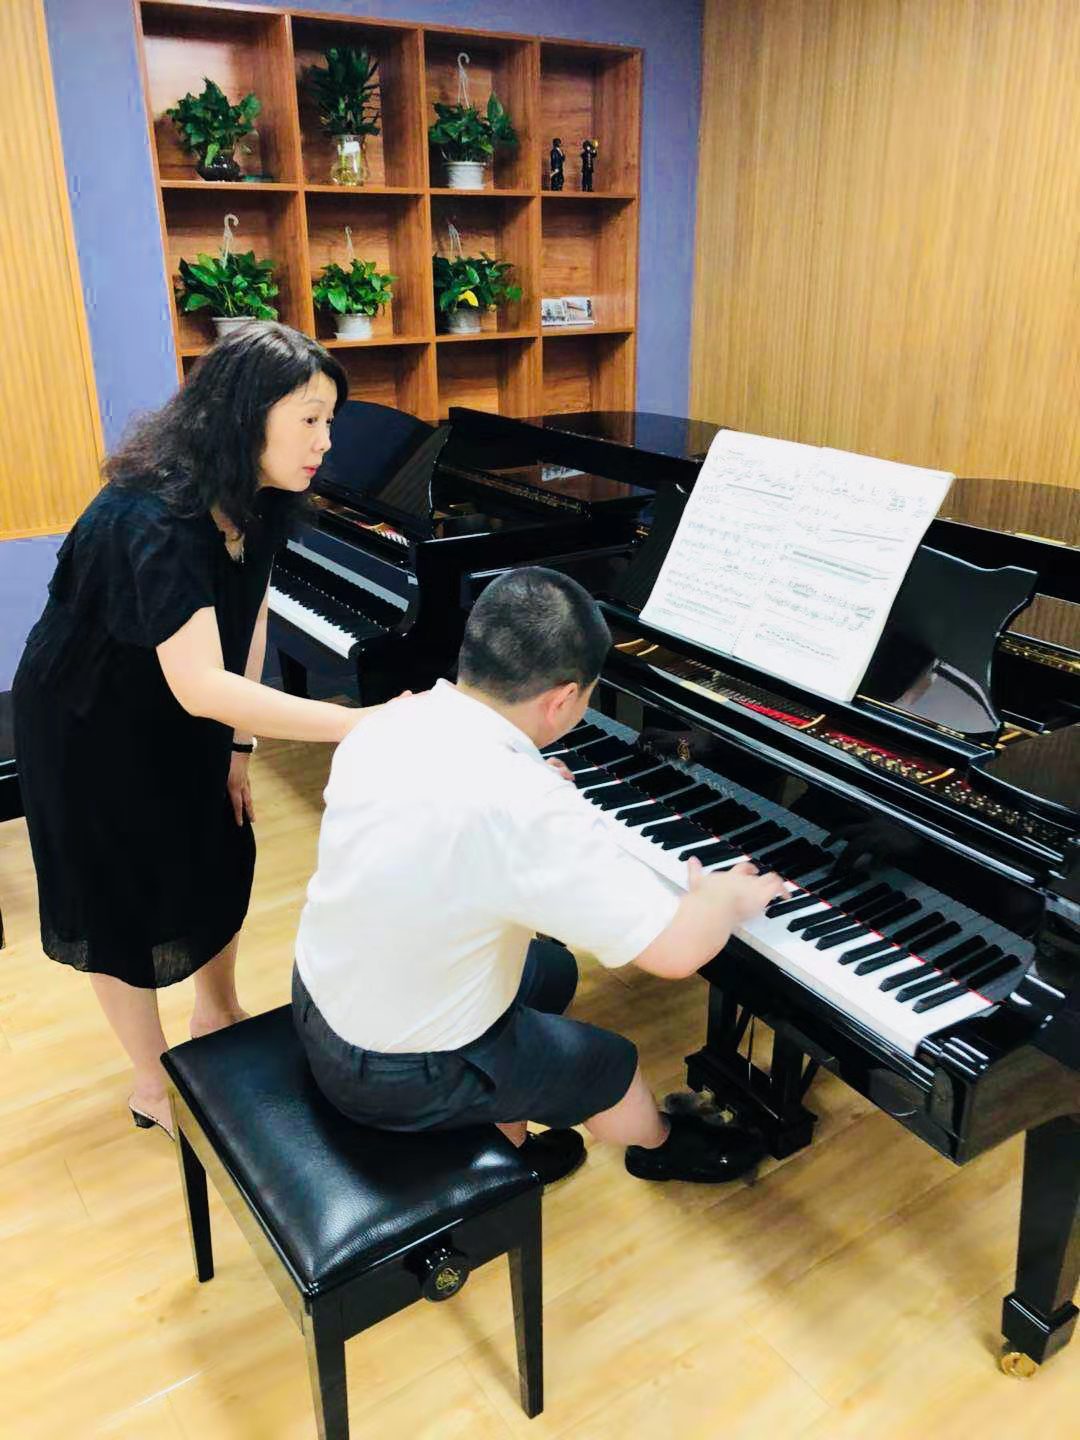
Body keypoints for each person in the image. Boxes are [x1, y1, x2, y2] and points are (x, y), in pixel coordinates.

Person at [12, 321, 389, 1136]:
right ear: (246, 414)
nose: (326, 441)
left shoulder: (259, 493)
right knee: (117, 896)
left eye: (330, 421)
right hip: (88, 719)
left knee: (217, 850)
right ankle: (152, 1083)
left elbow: (246, 614)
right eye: (310, 419)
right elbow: (200, 684)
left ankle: (217, 1014)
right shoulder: (156, 514)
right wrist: (356, 723)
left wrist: (239, 747)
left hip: (179, 702)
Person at [292, 567, 785, 1185]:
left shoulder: (394, 721)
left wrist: (532, 796)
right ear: (562, 699)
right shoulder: (520, 803)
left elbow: (456, 824)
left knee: (553, 971)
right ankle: (661, 1148)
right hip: (393, 1072)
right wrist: (724, 898)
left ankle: (508, 1129)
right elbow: (675, 953)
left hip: (320, 999)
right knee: (610, 1064)